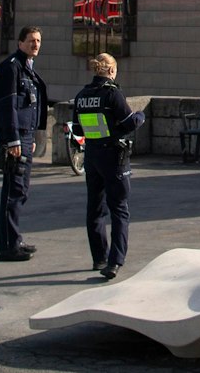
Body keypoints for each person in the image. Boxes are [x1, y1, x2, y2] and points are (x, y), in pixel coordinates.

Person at [72, 52, 145, 280]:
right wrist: (141, 115)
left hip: (92, 155)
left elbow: (77, 130)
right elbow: (128, 123)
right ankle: (115, 262)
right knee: (119, 208)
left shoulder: (82, 95)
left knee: (95, 208)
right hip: (113, 156)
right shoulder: (112, 94)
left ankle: (99, 257)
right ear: (111, 70)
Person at [0, 25, 49, 262]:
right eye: (31, 40)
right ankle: (8, 246)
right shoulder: (11, 68)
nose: (35, 45)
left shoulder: (26, 68)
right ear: (20, 43)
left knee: (20, 190)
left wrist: (32, 137)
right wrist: (14, 139)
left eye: (38, 41)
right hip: (15, 137)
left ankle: (14, 240)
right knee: (14, 191)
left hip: (25, 136)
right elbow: (8, 107)